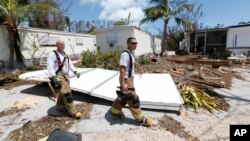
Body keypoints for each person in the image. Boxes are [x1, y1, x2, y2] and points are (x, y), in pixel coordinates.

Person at [110, 37, 153, 126]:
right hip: (126, 80)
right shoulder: (125, 54)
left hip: (129, 79)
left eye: (136, 43)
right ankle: (140, 119)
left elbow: (129, 68)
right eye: (133, 43)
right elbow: (122, 70)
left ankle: (114, 113)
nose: (135, 45)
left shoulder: (130, 54)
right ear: (128, 44)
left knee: (122, 97)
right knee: (132, 99)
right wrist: (123, 84)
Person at [47, 39, 81, 119]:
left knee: (62, 93)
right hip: (58, 76)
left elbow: (70, 64)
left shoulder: (65, 54)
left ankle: (60, 107)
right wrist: (53, 77)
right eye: (61, 44)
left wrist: (75, 71)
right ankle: (73, 112)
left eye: (63, 44)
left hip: (66, 76)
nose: (63, 45)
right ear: (57, 45)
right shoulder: (52, 54)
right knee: (67, 93)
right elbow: (50, 66)